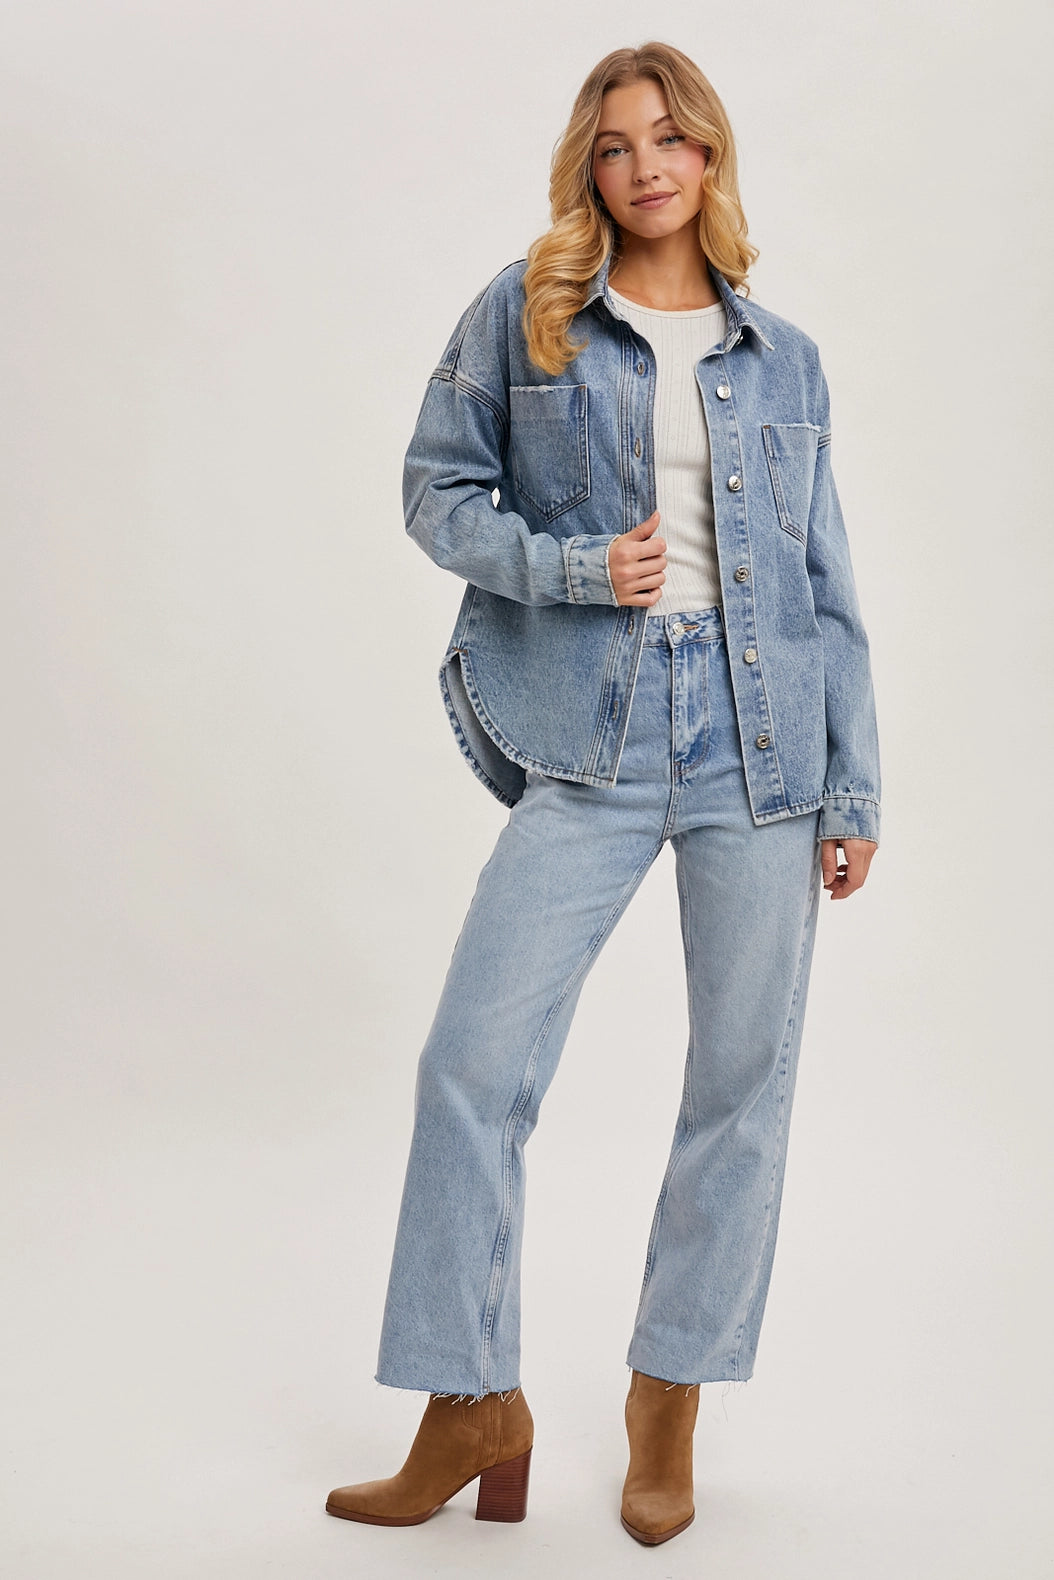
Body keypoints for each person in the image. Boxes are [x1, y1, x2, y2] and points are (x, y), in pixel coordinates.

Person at [325, 40, 881, 1547]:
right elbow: (435, 490)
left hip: (762, 745)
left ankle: (666, 1397)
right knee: (470, 1065)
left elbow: (825, 587)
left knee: (737, 1091)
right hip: (595, 734)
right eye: (618, 144)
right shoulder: (529, 318)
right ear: (590, 167)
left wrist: (853, 781)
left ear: (710, 160)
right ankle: (467, 1400)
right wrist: (575, 568)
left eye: (674, 139)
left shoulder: (786, 357)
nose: (646, 166)